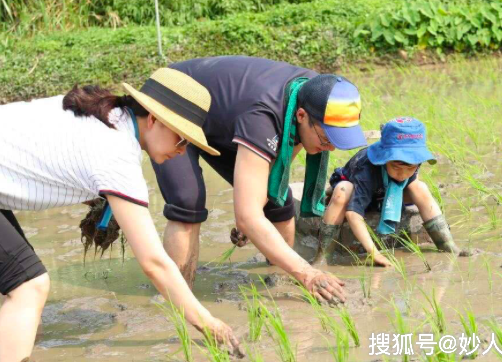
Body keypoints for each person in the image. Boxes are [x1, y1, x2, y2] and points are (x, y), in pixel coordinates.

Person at [0, 68, 240, 362]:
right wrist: (208, 323)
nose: (183, 150)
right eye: (182, 139)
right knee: (28, 286)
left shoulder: (108, 115)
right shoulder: (116, 154)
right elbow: (154, 263)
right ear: (153, 120)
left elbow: (53, 159)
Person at [151, 56, 368, 304]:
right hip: (175, 99)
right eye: (326, 139)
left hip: (224, 116)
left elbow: (276, 172)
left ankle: (279, 284)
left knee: (278, 200)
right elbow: (248, 214)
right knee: (187, 201)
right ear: (301, 116)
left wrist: (252, 215)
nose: (329, 147)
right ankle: (177, 300)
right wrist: (307, 272)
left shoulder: (316, 93)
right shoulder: (263, 116)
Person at [315, 117, 470, 266]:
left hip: (386, 193)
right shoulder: (366, 169)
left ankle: (447, 245)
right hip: (358, 189)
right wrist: (374, 253)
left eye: (410, 168)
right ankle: (323, 257)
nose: (402, 174)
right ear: (384, 158)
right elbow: (353, 214)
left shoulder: (413, 164)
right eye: (396, 167)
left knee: (420, 187)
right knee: (342, 190)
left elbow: (410, 180)